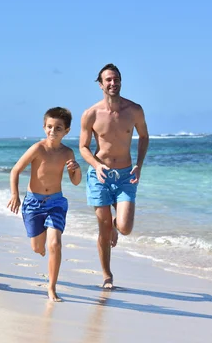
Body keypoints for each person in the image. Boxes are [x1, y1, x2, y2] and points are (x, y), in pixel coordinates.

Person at [79, 63, 149, 289]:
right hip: (100, 175)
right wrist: (96, 166)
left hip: (126, 175)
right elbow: (83, 147)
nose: (113, 83)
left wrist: (139, 164)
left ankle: (114, 227)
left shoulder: (135, 110)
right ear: (100, 84)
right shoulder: (91, 114)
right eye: (108, 80)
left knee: (125, 227)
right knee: (103, 227)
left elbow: (144, 137)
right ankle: (107, 275)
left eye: (116, 79)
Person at [7, 107, 82, 302]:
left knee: (55, 244)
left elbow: (75, 181)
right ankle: (39, 248)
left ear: (66, 131)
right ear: (44, 127)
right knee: (37, 248)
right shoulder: (37, 149)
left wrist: (76, 169)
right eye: (49, 127)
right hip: (33, 203)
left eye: (58, 128)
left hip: (56, 203)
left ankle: (52, 288)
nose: (53, 131)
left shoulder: (68, 152)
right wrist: (15, 195)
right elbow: (15, 170)